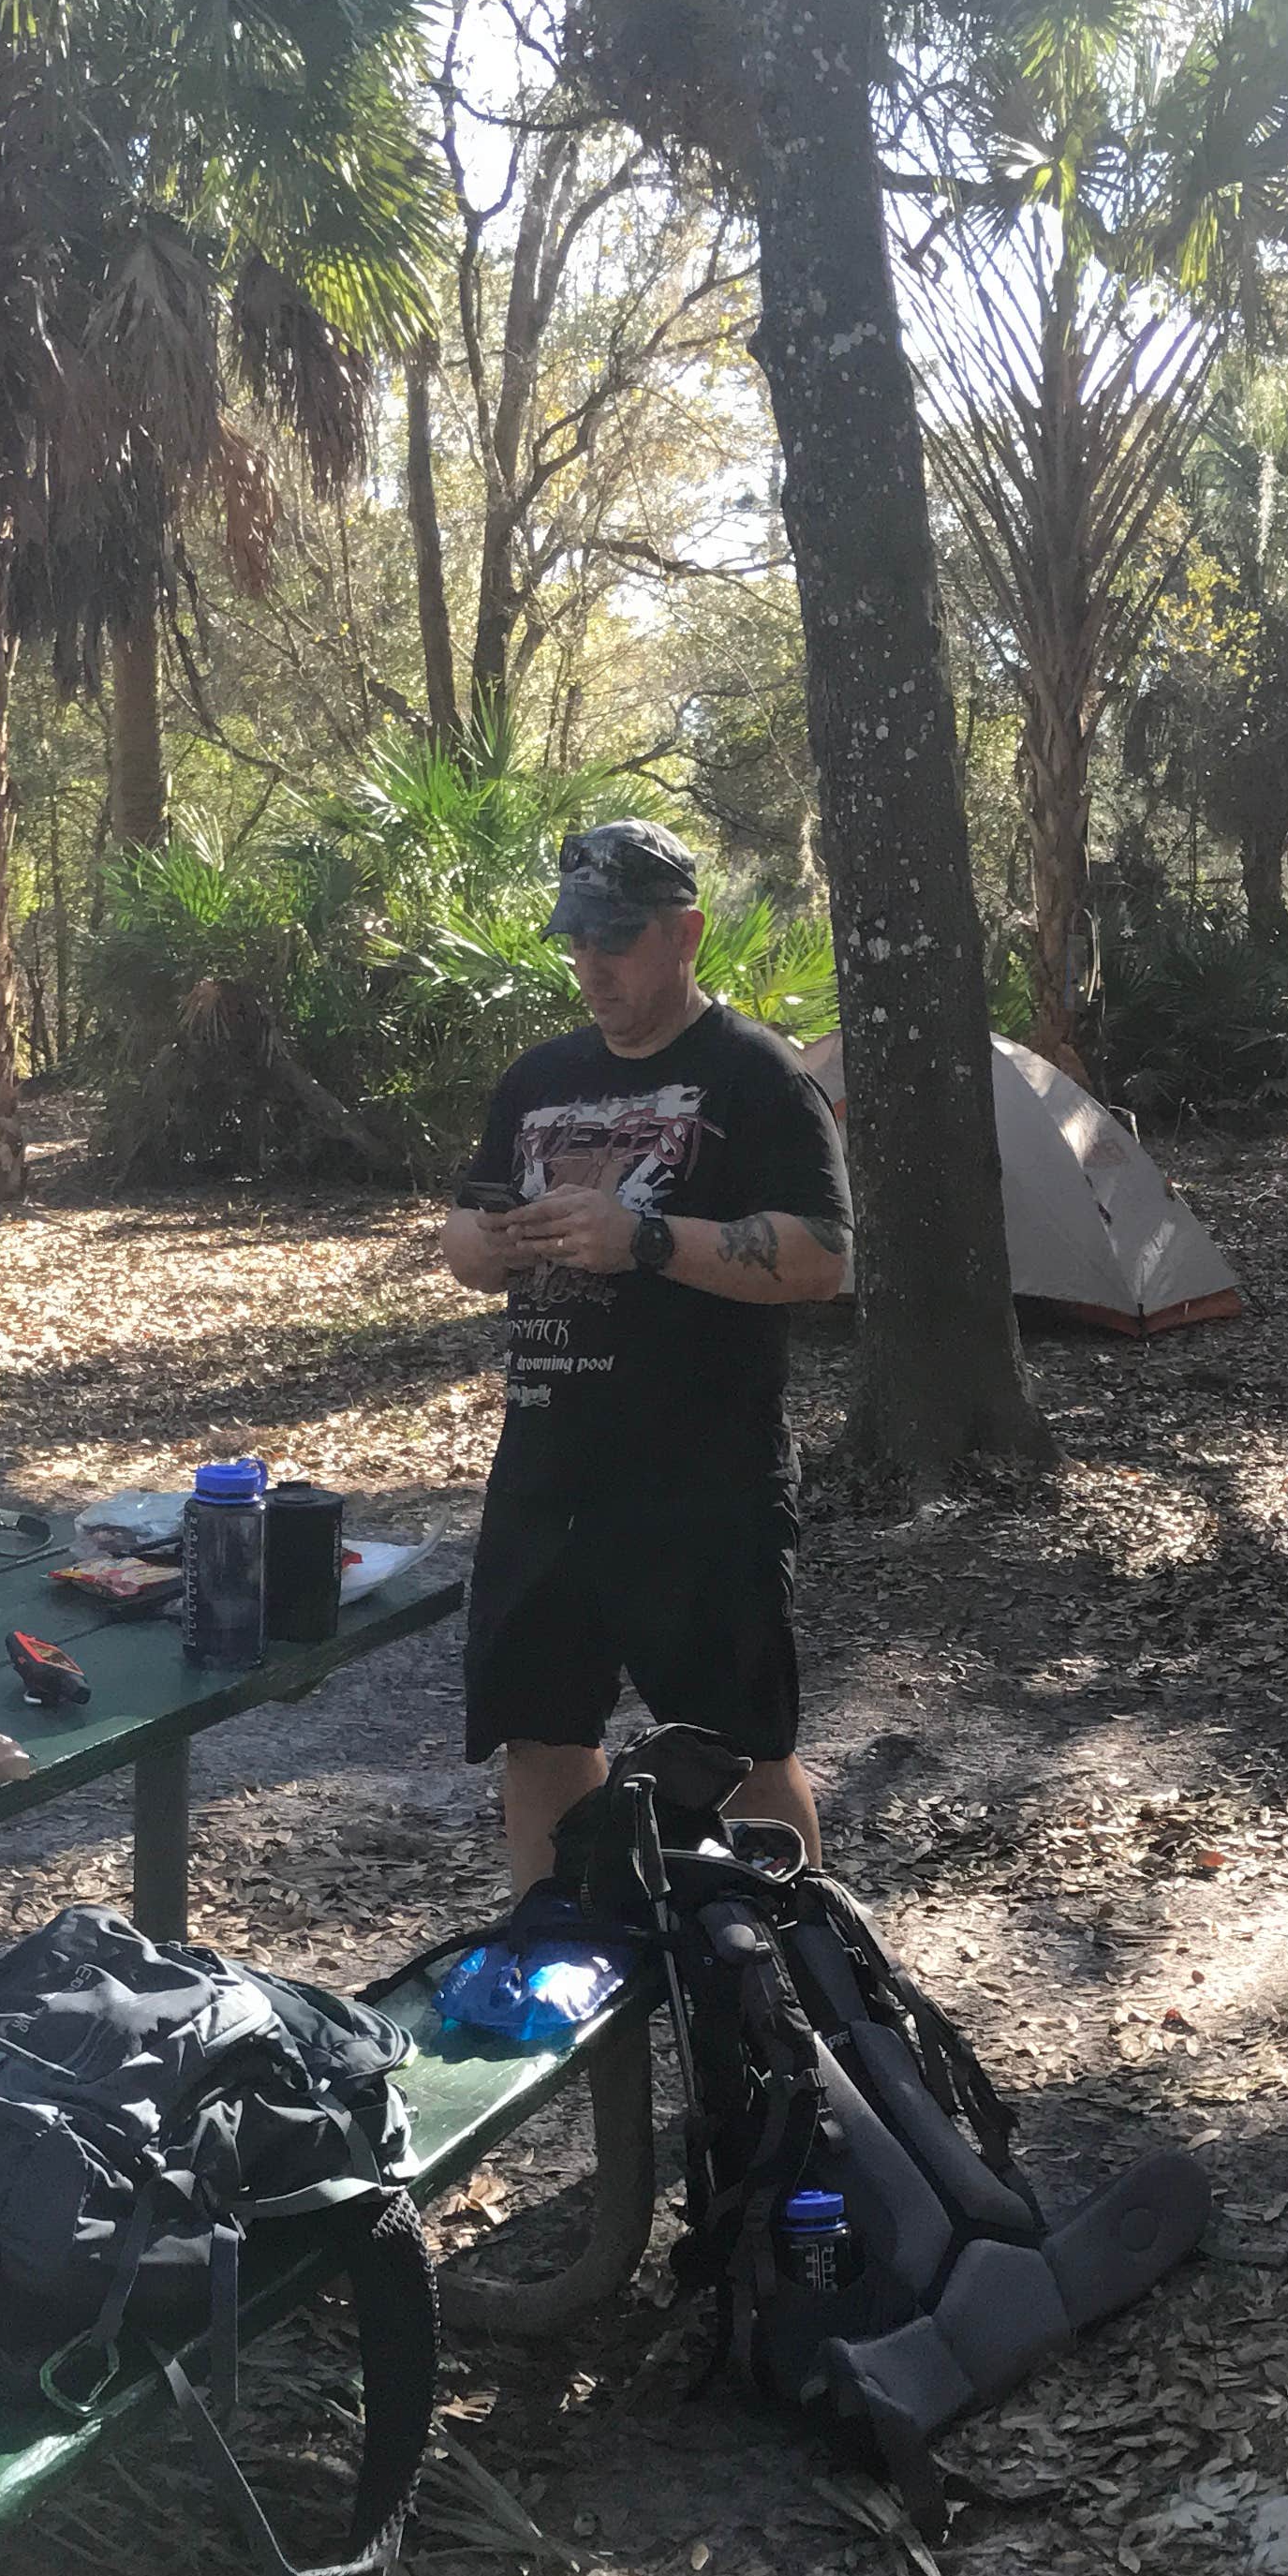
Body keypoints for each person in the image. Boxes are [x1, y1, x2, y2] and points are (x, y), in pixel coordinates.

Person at [423, 820, 846, 1943]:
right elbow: (464, 1242)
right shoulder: (539, 1078)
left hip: (700, 1483)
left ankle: (805, 1980)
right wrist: (498, 1242)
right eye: (578, 942)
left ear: (685, 933)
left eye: (617, 940)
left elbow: (821, 1255)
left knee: (743, 1753)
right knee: (542, 1737)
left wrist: (645, 1240)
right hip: (547, 1473)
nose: (593, 967)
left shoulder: (755, 1075)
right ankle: (553, 1970)